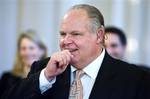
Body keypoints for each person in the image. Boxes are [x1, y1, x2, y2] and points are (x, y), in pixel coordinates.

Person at [2, 4, 150, 99]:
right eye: (62, 34)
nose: (65, 41)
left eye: (75, 34)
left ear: (99, 35)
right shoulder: (43, 69)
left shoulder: (135, 78)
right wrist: (46, 77)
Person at [0, 30, 47, 98]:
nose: (27, 52)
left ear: (42, 51)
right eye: (23, 48)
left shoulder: (48, 78)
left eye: (31, 48)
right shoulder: (7, 78)